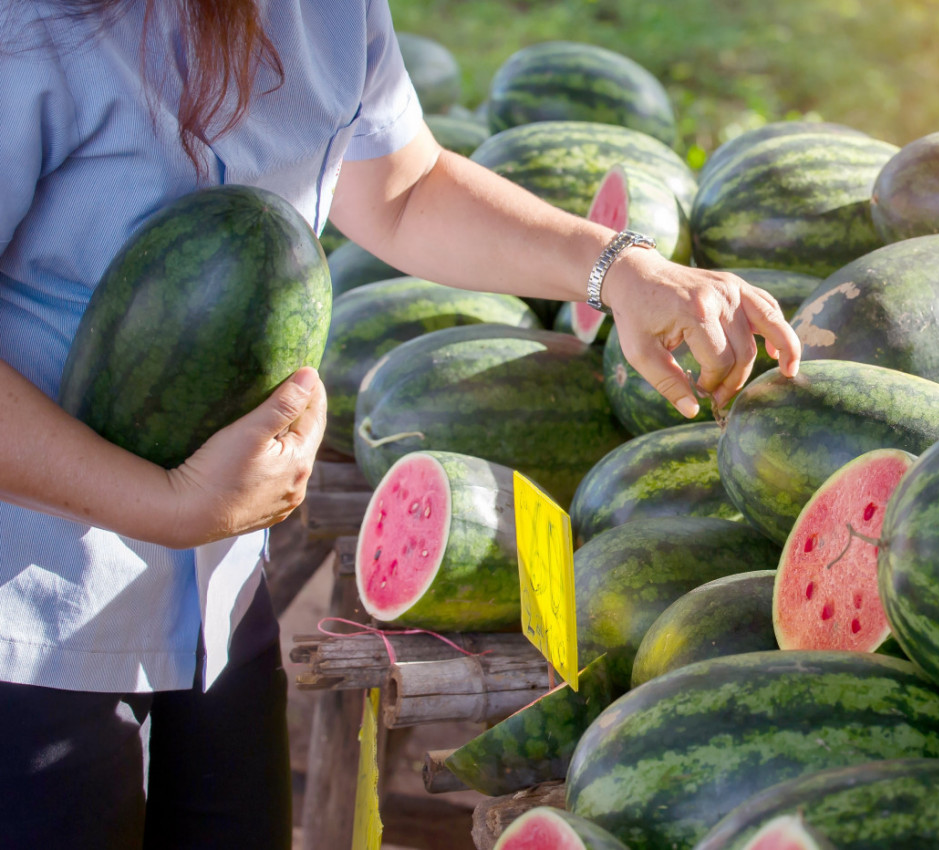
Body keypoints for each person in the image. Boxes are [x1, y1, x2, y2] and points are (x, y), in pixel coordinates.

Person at [0, 1, 801, 847]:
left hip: (211, 599)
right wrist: (158, 502)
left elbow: (402, 192)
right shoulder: (32, 24)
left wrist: (617, 268)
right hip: (28, 614)